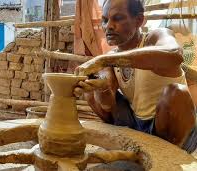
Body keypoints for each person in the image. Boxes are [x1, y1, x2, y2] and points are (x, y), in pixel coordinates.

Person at [74, 0, 197, 153]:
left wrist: (103, 60)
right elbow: (107, 106)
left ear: (139, 20)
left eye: (117, 18)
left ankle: (168, 157)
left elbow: (174, 54)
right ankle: (130, 147)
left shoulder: (155, 38)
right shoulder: (110, 58)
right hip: (136, 125)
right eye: (105, 20)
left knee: (177, 92)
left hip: (170, 129)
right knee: (90, 90)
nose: (108, 26)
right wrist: (102, 88)